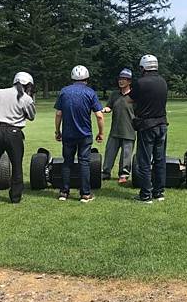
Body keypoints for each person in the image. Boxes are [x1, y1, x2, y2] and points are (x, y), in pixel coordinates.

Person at [0, 72, 36, 204]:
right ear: (28, 85)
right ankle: (15, 196)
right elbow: (31, 116)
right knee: (17, 165)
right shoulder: (26, 98)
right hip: (14, 132)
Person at [54, 65, 104, 202]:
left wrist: (58, 131)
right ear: (86, 78)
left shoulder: (64, 92)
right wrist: (101, 133)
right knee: (84, 163)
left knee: (67, 163)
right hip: (85, 134)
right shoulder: (90, 93)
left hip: (68, 134)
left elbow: (59, 114)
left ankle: (64, 192)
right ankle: (85, 194)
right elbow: (99, 116)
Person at [128, 55, 168, 203]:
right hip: (162, 124)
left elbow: (130, 99)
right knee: (160, 159)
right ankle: (159, 192)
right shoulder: (163, 82)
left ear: (143, 67)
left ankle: (145, 195)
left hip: (147, 126)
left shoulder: (141, 83)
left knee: (144, 161)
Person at [102, 68, 135, 184]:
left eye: (124, 79)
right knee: (109, 153)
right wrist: (105, 109)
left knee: (126, 156)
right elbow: (109, 106)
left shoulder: (134, 95)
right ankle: (105, 172)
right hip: (114, 131)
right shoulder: (114, 94)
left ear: (129, 81)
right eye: (120, 79)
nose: (121, 81)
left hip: (129, 131)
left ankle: (124, 175)